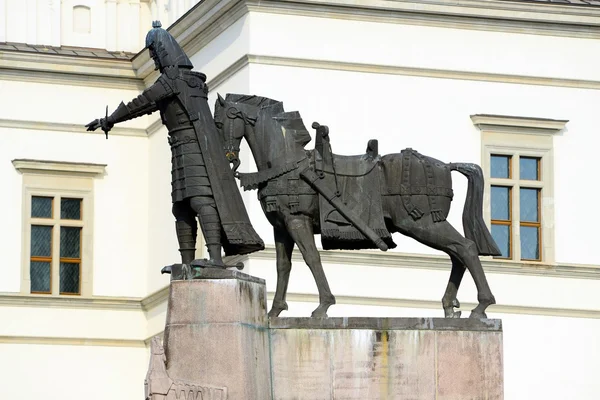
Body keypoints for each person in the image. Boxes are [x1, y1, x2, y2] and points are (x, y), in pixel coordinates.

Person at [86, 21, 264, 268]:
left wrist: (109, 120)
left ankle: (214, 258)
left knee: (200, 200)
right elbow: (149, 104)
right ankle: (187, 262)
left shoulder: (174, 79)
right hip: (179, 148)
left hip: (194, 148)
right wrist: (110, 120)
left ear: (163, 51)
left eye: (154, 53)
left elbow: (143, 102)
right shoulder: (179, 81)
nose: (153, 60)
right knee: (181, 206)